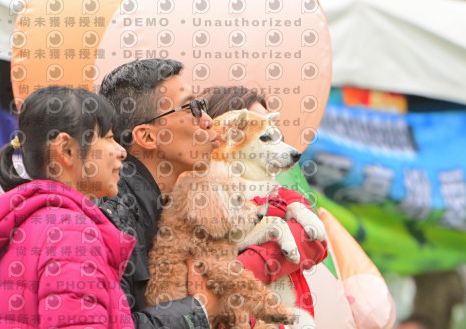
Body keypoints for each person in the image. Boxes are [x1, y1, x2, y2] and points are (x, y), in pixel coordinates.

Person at [98, 59, 328, 328]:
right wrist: (201, 307)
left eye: (202, 106)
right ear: (147, 137)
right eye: (191, 108)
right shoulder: (110, 218)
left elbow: (315, 241)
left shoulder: (185, 201)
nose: (208, 121)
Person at [0, 86, 132, 328]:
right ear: (66, 150)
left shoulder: (27, 221)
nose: (121, 151)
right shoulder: (70, 231)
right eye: (108, 137)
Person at [200, 85, 329, 315]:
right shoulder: (200, 195)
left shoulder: (285, 195)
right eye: (262, 135)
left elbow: (316, 242)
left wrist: (240, 270)